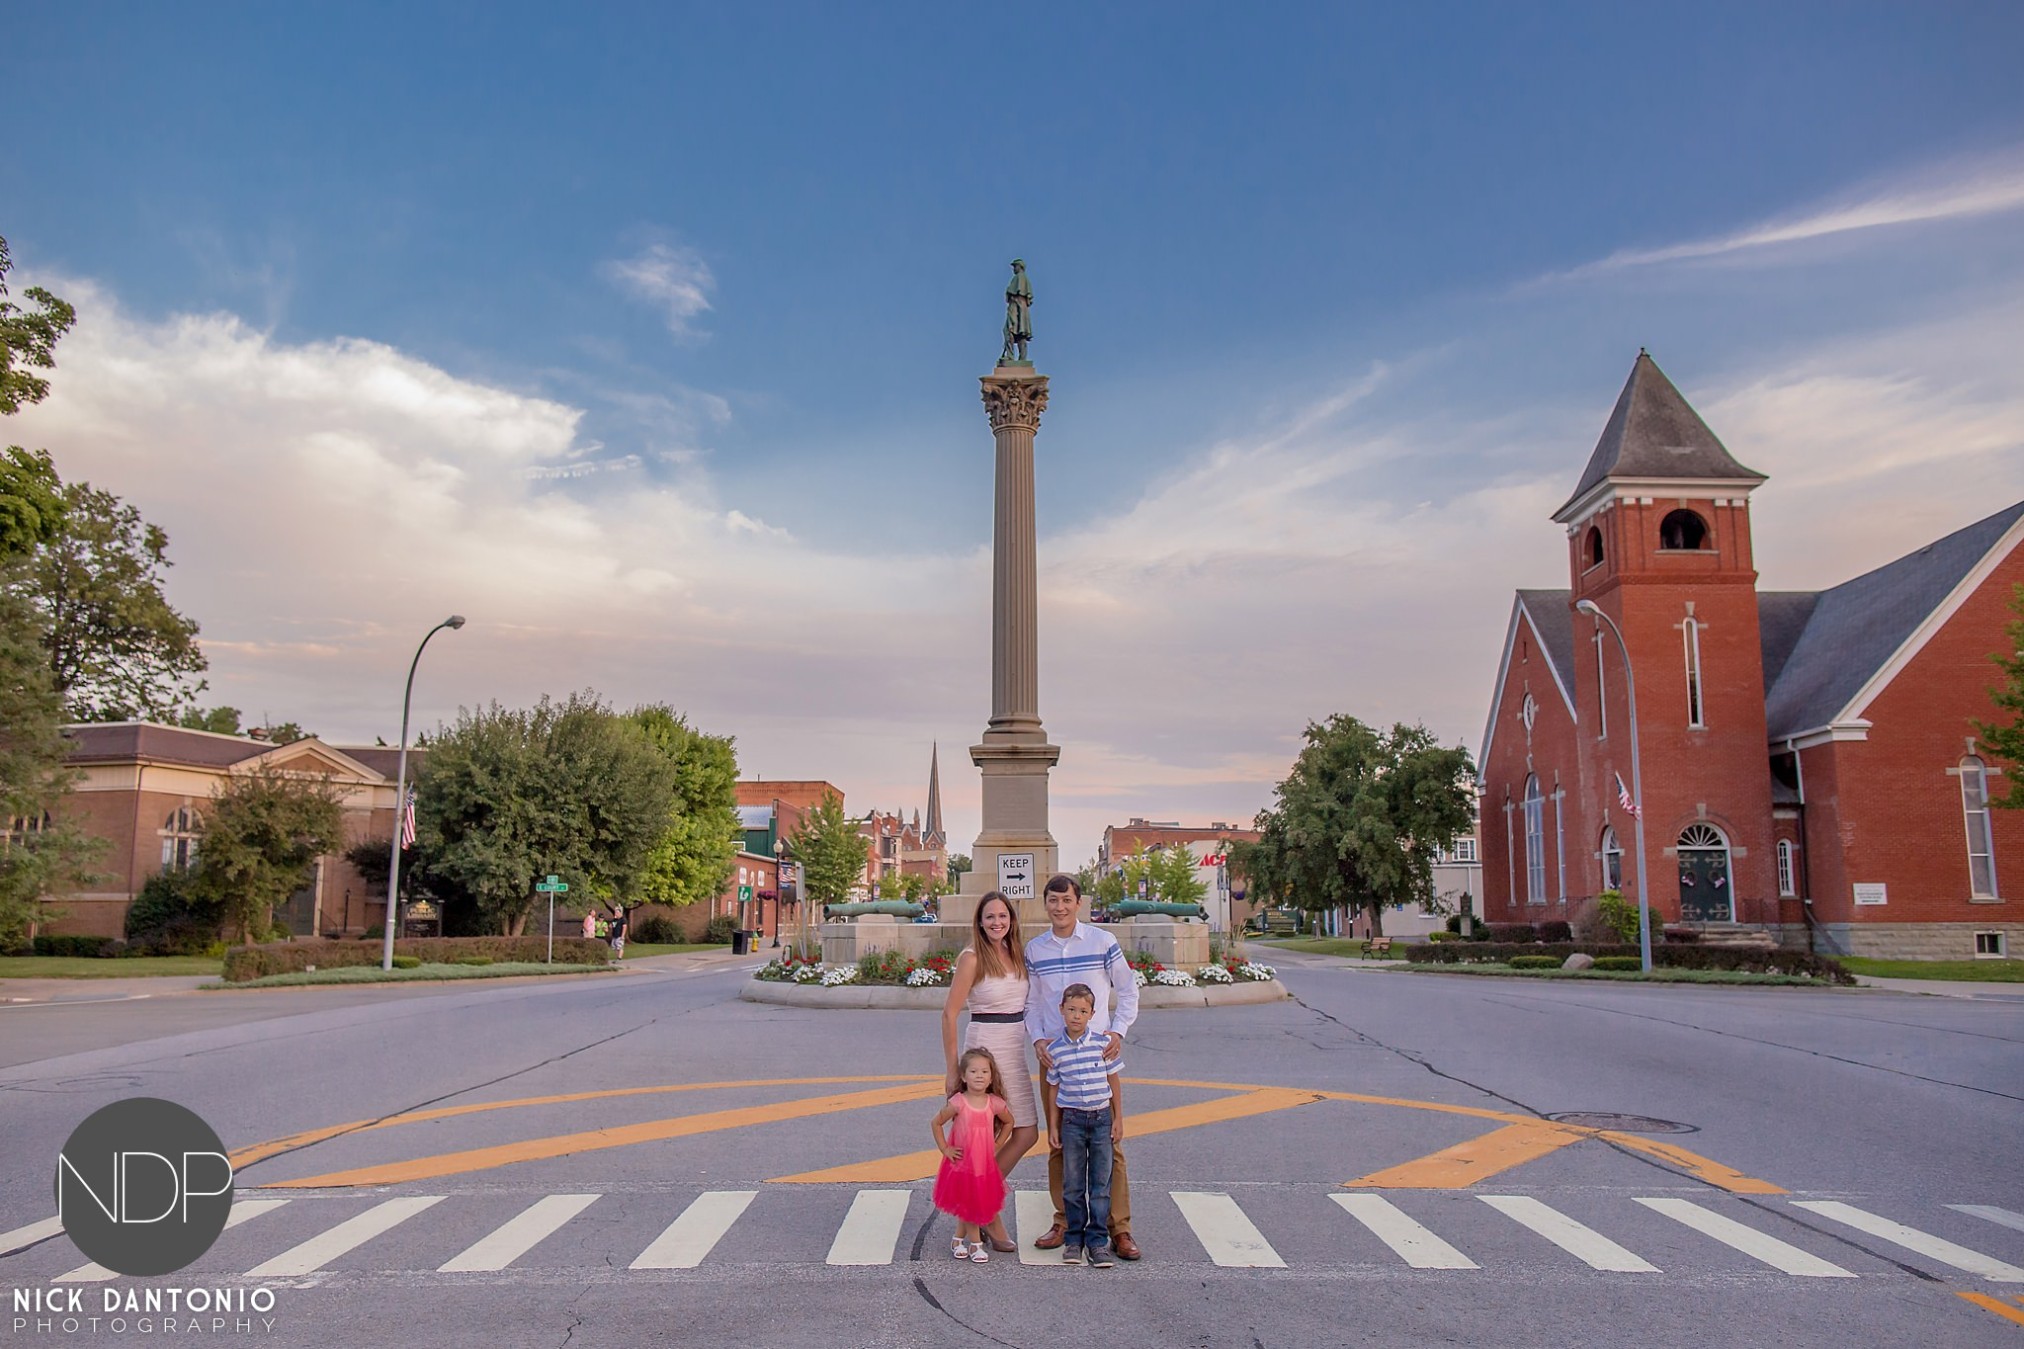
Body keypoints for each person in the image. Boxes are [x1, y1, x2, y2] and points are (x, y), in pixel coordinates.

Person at [1024, 872, 1141, 1260]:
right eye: (1053, 901)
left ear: (1078, 903)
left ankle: (1119, 1228)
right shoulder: (1035, 950)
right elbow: (1031, 1003)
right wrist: (1038, 1039)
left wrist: (1118, 1031)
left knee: (1110, 1143)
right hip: (1056, 1058)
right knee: (1059, 1140)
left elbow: (1128, 989)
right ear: (1046, 904)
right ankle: (1064, 1221)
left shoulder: (1102, 942)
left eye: (1066, 900)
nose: (1060, 907)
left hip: (1097, 1058)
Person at [940, 891, 1038, 1253]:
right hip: (985, 1049)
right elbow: (949, 1014)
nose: (997, 922)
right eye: (990, 917)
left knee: (1026, 1132)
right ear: (980, 922)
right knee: (983, 1137)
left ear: (1011, 919)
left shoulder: (1016, 953)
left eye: (1002, 916)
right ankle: (989, 1215)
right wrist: (954, 1070)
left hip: (1014, 1049)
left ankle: (978, 1202)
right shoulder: (972, 958)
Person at [1044, 983, 1125, 1267]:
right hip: (1073, 1121)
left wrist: (1118, 1118)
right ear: (1061, 1011)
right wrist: (1053, 1126)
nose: (1076, 1016)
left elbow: (1113, 1081)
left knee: (1100, 1184)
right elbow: (1053, 1088)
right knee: (1073, 1183)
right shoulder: (1055, 1050)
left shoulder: (1102, 1044)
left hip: (1101, 1119)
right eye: (1071, 1010)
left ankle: (1097, 1242)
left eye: (1082, 1011)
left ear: (1092, 1013)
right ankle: (1074, 1240)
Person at [930, 1048, 1013, 1263]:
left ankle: (958, 1240)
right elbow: (936, 1123)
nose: (979, 1076)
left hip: (983, 1165)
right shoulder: (958, 1102)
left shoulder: (993, 1102)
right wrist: (945, 1148)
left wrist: (998, 1143)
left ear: (991, 1077)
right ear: (964, 1077)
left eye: (984, 1072)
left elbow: (1009, 1122)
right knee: (970, 1204)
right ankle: (976, 1244)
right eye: (973, 1071)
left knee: (971, 1204)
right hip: (962, 1165)